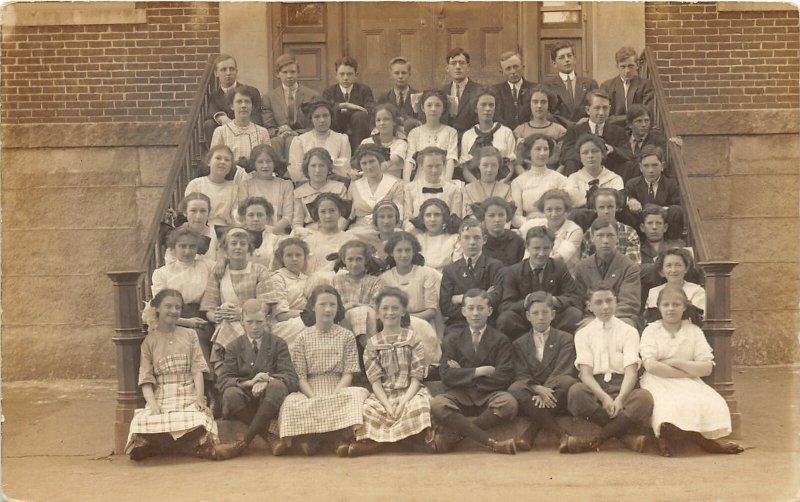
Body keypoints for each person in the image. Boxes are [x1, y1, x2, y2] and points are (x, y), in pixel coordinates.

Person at [639, 285, 743, 457]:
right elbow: (651, 366)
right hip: (657, 379)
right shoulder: (651, 330)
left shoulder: (693, 331)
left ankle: (705, 440)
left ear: (685, 307)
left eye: (676, 304)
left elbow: (706, 367)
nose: (671, 309)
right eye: (666, 305)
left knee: (709, 400)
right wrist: (688, 370)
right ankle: (666, 439)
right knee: (668, 403)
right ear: (658, 307)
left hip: (688, 380)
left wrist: (676, 362)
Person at [274, 285, 370, 456]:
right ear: (312, 307)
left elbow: (348, 372)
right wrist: (312, 397)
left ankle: (324, 439)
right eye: (322, 304)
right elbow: (300, 376)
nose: (328, 309)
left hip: (339, 386)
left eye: (333, 305)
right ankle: (325, 438)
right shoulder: (303, 337)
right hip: (310, 387)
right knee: (290, 403)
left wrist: (336, 393)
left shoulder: (346, 336)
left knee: (357, 397)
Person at [126, 290, 219, 461]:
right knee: (140, 423)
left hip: (188, 391)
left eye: (178, 307)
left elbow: (197, 369)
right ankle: (188, 448)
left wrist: (199, 398)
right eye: (168, 306)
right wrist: (153, 404)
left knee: (200, 419)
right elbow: (146, 379)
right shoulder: (149, 341)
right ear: (157, 309)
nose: (174, 311)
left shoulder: (190, 335)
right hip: (162, 395)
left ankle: (161, 447)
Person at [428, 289, 519, 455]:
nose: (475, 313)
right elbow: (446, 374)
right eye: (470, 308)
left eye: (480, 308)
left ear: (489, 311)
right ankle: (491, 443)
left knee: (508, 403)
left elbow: (504, 375)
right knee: (437, 405)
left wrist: (463, 374)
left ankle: (455, 436)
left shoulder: (500, 339)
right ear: (463, 311)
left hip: (488, 394)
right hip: (460, 394)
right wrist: (480, 371)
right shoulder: (453, 339)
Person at [564, 286, 654, 454]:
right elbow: (585, 374)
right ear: (589, 306)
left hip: (622, 386)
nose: (605, 307)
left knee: (644, 398)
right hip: (596, 388)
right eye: (598, 302)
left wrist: (620, 398)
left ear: (616, 302)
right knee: (576, 393)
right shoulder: (583, 334)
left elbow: (631, 372)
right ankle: (625, 436)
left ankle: (594, 441)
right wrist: (604, 398)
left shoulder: (629, 331)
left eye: (609, 301)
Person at [347, 288, 433, 456]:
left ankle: (383, 441)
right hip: (384, 394)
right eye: (385, 308)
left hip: (410, 391)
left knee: (420, 406)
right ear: (378, 313)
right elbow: (375, 382)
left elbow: (416, 378)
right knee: (367, 410)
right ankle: (401, 440)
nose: (390, 312)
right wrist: (387, 404)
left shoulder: (413, 339)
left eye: (395, 308)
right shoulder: (372, 344)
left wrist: (403, 403)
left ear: (403, 311)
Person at [214, 299, 299, 459]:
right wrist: (249, 382)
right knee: (230, 393)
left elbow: (290, 377)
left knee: (277, 386)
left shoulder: (277, 343)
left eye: (259, 322)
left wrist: (267, 380)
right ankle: (268, 436)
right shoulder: (234, 346)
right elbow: (223, 380)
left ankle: (243, 442)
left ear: (266, 321)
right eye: (249, 322)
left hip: (268, 400)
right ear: (241, 321)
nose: (254, 327)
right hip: (245, 400)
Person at [508, 292, 579, 452]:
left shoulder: (565, 338)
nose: (540, 317)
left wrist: (545, 391)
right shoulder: (519, 343)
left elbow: (563, 369)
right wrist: (537, 389)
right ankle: (561, 435)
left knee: (568, 382)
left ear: (553, 314)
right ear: (528, 316)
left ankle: (529, 434)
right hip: (532, 389)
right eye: (535, 313)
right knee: (515, 388)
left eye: (545, 312)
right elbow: (521, 373)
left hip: (556, 387)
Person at [200, 227, 272, 376]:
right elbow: (209, 308)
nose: (238, 247)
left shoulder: (259, 270)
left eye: (243, 244)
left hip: (254, 321)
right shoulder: (219, 272)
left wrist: (242, 314)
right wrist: (216, 316)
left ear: (249, 248)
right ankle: (227, 375)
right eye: (234, 243)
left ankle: (249, 371)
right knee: (226, 323)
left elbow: (265, 305)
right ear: (226, 249)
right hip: (225, 323)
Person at [498, 226, 584, 339]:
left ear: (552, 247)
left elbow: (574, 298)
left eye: (546, 248)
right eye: (536, 248)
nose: (541, 253)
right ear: (527, 247)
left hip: (553, 318)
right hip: (525, 320)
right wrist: (526, 302)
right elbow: (505, 305)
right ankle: (522, 348)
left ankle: (558, 343)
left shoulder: (560, 268)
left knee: (574, 314)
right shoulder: (513, 271)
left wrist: (553, 300)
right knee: (506, 319)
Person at [380, 232, 444, 372]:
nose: (404, 255)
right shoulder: (385, 278)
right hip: (394, 323)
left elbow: (432, 310)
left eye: (408, 250)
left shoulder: (426, 273)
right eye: (399, 250)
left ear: (414, 251)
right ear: (391, 253)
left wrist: (409, 319)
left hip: (424, 323)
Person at [152, 227, 214, 370]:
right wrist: (186, 322)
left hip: (200, 317)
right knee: (190, 336)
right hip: (172, 318)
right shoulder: (162, 273)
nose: (187, 251)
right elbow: (160, 307)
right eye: (182, 246)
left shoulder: (207, 267)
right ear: (174, 248)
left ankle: (207, 382)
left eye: (192, 246)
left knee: (199, 335)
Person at [574, 218, 642, 330]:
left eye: (610, 235)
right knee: (581, 329)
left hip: (620, 316)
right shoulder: (582, 267)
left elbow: (629, 304)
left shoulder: (629, 266)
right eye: (600, 235)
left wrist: (601, 319)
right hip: (591, 316)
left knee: (626, 325)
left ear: (617, 238)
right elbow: (579, 301)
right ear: (592, 238)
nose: (605, 240)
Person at [439, 219, 505, 334]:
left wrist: (461, 298)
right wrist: (484, 294)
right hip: (459, 323)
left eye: (476, 237)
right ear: (459, 240)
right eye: (467, 238)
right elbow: (446, 306)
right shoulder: (450, 270)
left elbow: (496, 298)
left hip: (488, 322)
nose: (472, 242)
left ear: (484, 240)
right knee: (450, 340)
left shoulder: (495, 266)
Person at [560, 89, 634, 179]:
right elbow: (565, 154)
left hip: (609, 174)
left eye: (605, 108)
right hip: (581, 174)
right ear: (587, 110)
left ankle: (619, 191)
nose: (601, 113)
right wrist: (587, 153)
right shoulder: (575, 130)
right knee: (570, 162)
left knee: (627, 164)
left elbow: (628, 154)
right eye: (597, 108)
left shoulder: (618, 131)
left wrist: (613, 149)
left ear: (610, 108)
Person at [262, 54, 320, 160]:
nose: (289, 76)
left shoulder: (311, 95)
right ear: (277, 74)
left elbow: (313, 125)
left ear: (298, 73)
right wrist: (280, 132)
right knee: (276, 142)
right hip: (279, 138)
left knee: (292, 140)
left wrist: (294, 132)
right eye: (285, 72)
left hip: (303, 136)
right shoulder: (268, 97)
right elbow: (268, 126)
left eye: (293, 72)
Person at [622, 145, 684, 241]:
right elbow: (627, 198)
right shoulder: (632, 184)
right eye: (646, 166)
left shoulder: (670, 184)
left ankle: (670, 242)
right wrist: (631, 200)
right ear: (640, 167)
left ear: (662, 166)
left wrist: (657, 209)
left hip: (663, 226)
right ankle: (637, 241)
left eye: (654, 165)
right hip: (642, 226)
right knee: (627, 210)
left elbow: (676, 206)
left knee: (676, 210)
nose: (650, 170)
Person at [564, 134, 624, 230]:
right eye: (585, 152)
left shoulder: (614, 178)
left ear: (603, 154)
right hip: (581, 223)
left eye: (595, 151)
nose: (590, 156)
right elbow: (573, 201)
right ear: (579, 157)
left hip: (608, 221)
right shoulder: (574, 178)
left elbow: (616, 201)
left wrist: (586, 202)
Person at [331, 240, 385, 346]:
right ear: (344, 260)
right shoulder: (336, 280)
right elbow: (333, 305)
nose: (354, 264)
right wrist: (350, 306)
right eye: (350, 259)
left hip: (368, 324)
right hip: (343, 324)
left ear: (366, 260)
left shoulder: (375, 281)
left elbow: (377, 306)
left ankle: (369, 349)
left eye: (359, 259)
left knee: (364, 311)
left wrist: (355, 306)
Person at [204, 54, 264, 147]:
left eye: (231, 69)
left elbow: (256, 118)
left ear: (236, 71)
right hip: (226, 136)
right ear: (216, 73)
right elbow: (212, 111)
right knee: (209, 124)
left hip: (248, 132)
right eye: (223, 70)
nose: (228, 73)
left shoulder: (250, 91)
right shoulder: (214, 95)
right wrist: (222, 118)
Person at [511, 134, 567, 233]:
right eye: (538, 149)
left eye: (546, 149)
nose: (542, 153)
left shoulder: (560, 179)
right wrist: (531, 222)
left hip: (555, 227)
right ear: (529, 152)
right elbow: (516, 218)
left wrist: (545, 219)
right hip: (528, 227)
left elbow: (566, 211)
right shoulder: (518, 182)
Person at [459, 88, 517, 183]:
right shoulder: (468, 135)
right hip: (475, 185)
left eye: (491, 105)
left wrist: (498, 185)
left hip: (501, 184)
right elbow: (466, 169)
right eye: (483, 105)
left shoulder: (506, 132)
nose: (487, 109)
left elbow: (510, 166)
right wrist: (478, 185)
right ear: (475, 108)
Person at [347, 143, 404, 237]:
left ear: (380, 161)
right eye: (364, 163)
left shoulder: (396, 184)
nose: (369, 167)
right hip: (358, 231)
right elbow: (347, 217)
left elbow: (399, 219)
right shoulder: (354, 185)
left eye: (372, 161)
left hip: (386, 232)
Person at [264, 238, 311, 352]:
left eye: (298, 255)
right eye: (289, 255)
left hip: (306, 319)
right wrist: (311, 315)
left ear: (305, 258)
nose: (294, 259)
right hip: (282, 325)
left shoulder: (308, 279)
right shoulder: (277, 278)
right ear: (282, 258)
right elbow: (281, 315)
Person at [287, 100, 352, 182]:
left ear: (331, 117)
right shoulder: (299, 141)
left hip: (335, 185)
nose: (322, 120)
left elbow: (344, 169)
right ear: (311, 119)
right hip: (307, 186)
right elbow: (296, 171)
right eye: (317, 117)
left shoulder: (342, 139)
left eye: (325, 115)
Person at [520, 189, 583, 273]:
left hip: (564, 275)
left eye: (558, 209)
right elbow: (514, 235)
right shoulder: (534, 224)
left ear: (566, 210)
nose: (554, 214)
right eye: (549, 210)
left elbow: (560, 258)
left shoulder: (574, 230)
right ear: (543, 210)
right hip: (534, 272)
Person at [237, 144, 294, 235]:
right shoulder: (246, 185)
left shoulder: (286, 185)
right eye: (260, 162)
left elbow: (288, 217)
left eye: (268, 161)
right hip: (252, 233)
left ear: (274, 162)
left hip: (278, 233)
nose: (265, 165)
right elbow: (243, 213)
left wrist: (271, 231)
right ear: (254, 164)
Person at [210, 85, 271, 168]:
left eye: (247, 102)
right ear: (232, 106)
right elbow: (215, 163)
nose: (243, 105)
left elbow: (267, 162)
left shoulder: (262, 132)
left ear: (252, 106)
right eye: (239, 102)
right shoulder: (221, 132)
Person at [323, 56, 376, 151]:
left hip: (358, 130)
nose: (345, 78)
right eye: (342, 74)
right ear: (336, 75)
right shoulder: (329, 92)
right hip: (337, 128)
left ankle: (359, 153)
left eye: (349, 74)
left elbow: (369, 110)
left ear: (356, 75)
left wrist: (342, 108)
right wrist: (346, 105)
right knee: (333, 114)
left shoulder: (364, 90)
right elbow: (325, 109)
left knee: (360, 116)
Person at [404, 91, 459, 182]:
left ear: (443, 108)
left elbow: (451, 158)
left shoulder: (450, 132)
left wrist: (447, 182)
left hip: (443, 178)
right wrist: (406, 183)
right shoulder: (415, 133)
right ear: (422, 107)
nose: (433, 109)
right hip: (420, 179)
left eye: (438, 105)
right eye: (429, 105)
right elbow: (409, 159)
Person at [541, 41, 598, 127]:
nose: (567, 60)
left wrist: (587, 121)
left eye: (569, 56)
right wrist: (572, 125)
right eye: (562, 57)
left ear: (574, 59)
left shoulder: (590, 84)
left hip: (585, 132)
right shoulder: (547, 86)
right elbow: (548, 114)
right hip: (561, 133)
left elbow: (597, 107)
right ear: (554, 64)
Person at [291, 148, 349, 232]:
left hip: (335, 231)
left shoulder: (339, 188)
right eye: (313, 166)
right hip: (309, 232)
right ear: (307, 168)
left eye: (322, 165)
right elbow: (297, 222)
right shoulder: (299, 193)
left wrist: (334, 231)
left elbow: (344, 217)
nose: (317, 170)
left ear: (328, 168)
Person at [579, 187, 642, 264]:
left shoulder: (629, 233)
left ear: (617, 207)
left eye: (610, 207)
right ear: (595, 209)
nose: (606, 211)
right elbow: (585, 267)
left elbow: (633, 266)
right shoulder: (588, 235)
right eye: (601, 207)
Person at [645, 248, 705, 323]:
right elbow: (651, 321)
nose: (673, 270)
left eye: (678, 265)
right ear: (661, 271)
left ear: (686, 268)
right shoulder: (654, 292)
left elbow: (698, 319)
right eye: (668, 266)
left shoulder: (697, 291)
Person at [512, 86, 568, 168]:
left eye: (543, 102)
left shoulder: (559, 131)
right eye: (535, 102)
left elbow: (563, 163)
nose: (539, 106)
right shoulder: (520, 131)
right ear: (529, 104)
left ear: (549, 104)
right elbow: (517, 163)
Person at [301, 193, 355, 275]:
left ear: (340, 212)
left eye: (332, 210)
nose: (328, 216)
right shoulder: (308, 242)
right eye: (323, 211)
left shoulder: (350, 240)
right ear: (317, 214)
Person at [404, 146, 464, 220]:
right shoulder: (410, 189)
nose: (434, 170)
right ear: (422, 166)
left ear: (443, 165)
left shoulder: (453, 190)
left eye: (438, 166)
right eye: (429, 166)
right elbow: (407, 219)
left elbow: (455, 219)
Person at [185, 145, 239, 227]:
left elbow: (235, 215)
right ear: (209, 162)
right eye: (218, 158)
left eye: (227, 160)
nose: (222, 162)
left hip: (224, 230)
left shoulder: (234, 188)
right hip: (200, 227)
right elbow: (190, 211)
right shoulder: (196, 184)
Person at [600, 47, 655, 127]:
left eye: (630, 66)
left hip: (638, 131)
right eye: (623, 67)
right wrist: (633, 117)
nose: (627, 71)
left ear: (637, 65)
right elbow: (606, 117)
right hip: (614, 131)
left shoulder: (645, 85)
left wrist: (617, 119)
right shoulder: (607, 86)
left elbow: (646, 113)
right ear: (617, 66)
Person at [638, 204, 686, 295]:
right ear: (642, 227)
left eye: (659, 223)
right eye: (650, 223)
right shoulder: (637, 250)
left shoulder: (676, 247)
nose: (654, 227)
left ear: (665, 228)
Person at [408, 198, 462, 272]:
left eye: (437, 215)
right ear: (422, 219)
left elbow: (457, 269)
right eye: (428, 215)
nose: (432, 219)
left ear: (444, 218)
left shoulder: (455, 239)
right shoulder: (417, 239)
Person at [360, 103, 410, 179]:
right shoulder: (367, 142)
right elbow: (358, 165)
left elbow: (393, 159)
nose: (382, 123)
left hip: (393, 185)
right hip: (370, 185)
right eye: (378, 120)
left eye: (386, 119)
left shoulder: (400, 144)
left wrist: (382, 165)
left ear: (394, 122)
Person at [165, 193, 217, 265]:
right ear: (185, 213)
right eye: (193, 211)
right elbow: (171, 264)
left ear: (208, 213)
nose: (198, 216)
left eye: (203, 211)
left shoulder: (217, 235)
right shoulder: (177, 235)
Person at [439, 48, 482, 135]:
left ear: (468, 67)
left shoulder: (479, 91)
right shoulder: (441, 92)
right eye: (453, 63)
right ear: (447, 68)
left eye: (462, 63)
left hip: (472, 140)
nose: (458, 67)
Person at [472, 196, 524, 267]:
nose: (497, 220)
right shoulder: (478, 242)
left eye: (501, 215)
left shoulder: (517, 241)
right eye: (491, 215)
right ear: (484, 217)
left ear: (507, 216)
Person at [492, 51, 537, 131]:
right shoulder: (495, 91)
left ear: (523, 67)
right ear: (502, 72)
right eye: (508, 68)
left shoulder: (535, 89)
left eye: (516, 67)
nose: (513, 71)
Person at [463, 147, 513, 217]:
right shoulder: (468, 189)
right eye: (485, 165)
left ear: (498, 166)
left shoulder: (506, 189)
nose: (489, 169)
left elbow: (508, 217)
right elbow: (468, 216)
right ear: (478, 165)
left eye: (493, 165)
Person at [376, 56, 421, 134]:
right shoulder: (383, 98)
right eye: (396, 73)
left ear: (409, 74)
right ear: (391, 75)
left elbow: (421, 122)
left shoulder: (418, 96)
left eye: (404, 73)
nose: (400, 76)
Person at [237, 196, 282, 270]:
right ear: (245, 217)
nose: (255, 219)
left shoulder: (275, 240)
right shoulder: (236, 238)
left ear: (267, 217)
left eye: (260, 215)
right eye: (251, 215)